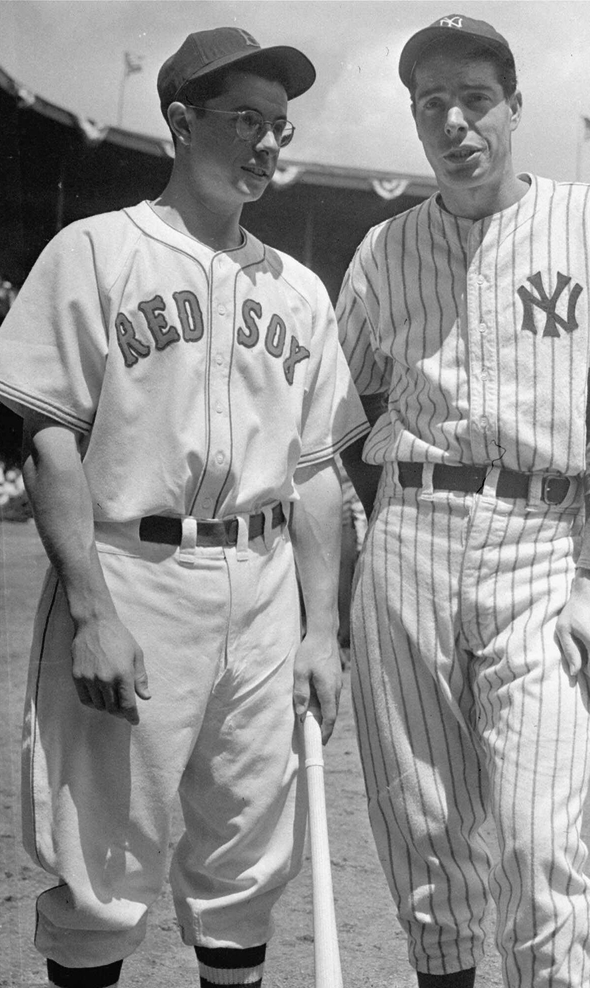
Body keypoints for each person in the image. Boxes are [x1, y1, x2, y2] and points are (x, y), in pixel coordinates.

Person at [0, 27, 368, 988]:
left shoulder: (301, 291)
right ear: (179, 123)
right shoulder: (95, 250)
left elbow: (320, 473)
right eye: (245, 119)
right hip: (134, 569)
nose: (268, 145)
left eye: (280, 126)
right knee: (101, 863)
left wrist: (321, 630)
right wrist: (90, 611)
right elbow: (47, 442)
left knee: (248, 859)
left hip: (264, 581)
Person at [336, 13, 590, 987]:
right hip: (409, 534)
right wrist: (373, 538)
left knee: (535, 843)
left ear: (515, 107)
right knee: (425, 841)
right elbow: (339, 422)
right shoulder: (381, 251)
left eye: (474, 99)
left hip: (543, 541)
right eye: (430, 103)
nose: (454, 121)